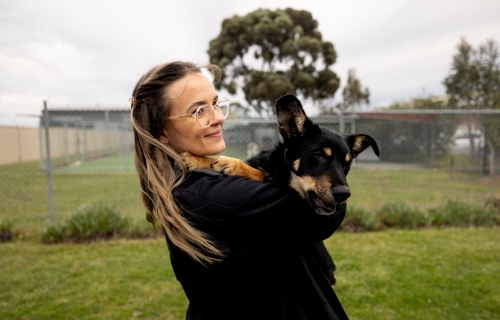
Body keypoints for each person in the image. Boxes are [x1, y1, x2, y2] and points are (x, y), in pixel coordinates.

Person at [130, 61, 349, 320]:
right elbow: (319, 215)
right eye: (199, 111)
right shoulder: (213, 197)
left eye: (215, 103)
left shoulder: (188, 184)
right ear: (161, 132)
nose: (219, 117)